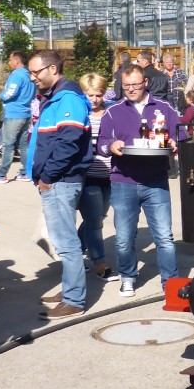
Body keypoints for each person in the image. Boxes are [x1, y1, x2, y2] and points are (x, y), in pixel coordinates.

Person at [96, 64, 184, 298]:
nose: (131, 89)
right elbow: (101, 143)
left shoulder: (164, 108)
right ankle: (127, 276)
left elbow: (181, 134)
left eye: (136, 84)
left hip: (156, 181)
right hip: (123, 180)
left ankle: (171, 282)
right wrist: (111, 145)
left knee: (164, 237)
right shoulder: (113, 111)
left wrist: (175, 144)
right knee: (124, 238)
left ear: (145, 83)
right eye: (127, 86)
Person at [27, 50, 93, 320]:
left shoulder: (68, 98)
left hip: (61, 181)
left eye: (36, 72)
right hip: (57, 180)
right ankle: (69, 290)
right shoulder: (55, 98)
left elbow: (69, 142)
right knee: (63, 240)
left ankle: (74, 300)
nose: (32, 78)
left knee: (66, 243)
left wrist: (48, 176)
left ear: (53, 69)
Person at [78, 74, 113, 281]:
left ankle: (74, 250)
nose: (94, 99)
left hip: (109, 175)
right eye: (90, 95)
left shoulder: (110, 112)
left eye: (98, 95)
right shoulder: (81, 114)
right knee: (94, 222)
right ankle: (99, 261)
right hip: (89, 175)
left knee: (98, 218)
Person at [0, 50, 35, 183]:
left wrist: (1, 95)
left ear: (17, 61)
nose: (9, 62)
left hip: (14, 114)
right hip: (26, 113)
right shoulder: (29, 75)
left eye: (10, 60)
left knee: (8, 145)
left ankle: (1, 174)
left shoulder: (16, 75)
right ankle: (26, 172)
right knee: (23, 144)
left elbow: (10, 93)